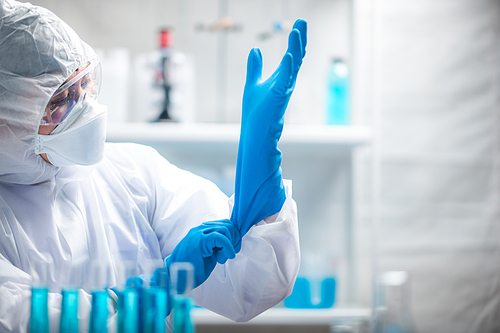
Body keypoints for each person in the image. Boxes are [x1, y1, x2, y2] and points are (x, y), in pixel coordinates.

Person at [0, 0, 307, 332]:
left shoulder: (132, 173)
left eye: (85, 84)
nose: (86, 110)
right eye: (60, 101)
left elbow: (249, 285)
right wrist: (161, 286)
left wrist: (262, 206)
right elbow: (29, 319)